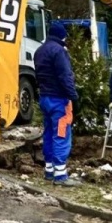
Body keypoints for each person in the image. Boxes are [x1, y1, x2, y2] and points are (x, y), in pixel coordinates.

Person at [34, 22, 80, 186]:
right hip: (59, 100)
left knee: (48, 134)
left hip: (45, 98)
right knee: (61, 134)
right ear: (62, 35)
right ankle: (60, 176)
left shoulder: (40, 51)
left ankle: (49, 171)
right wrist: (73, 96)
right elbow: (65, 76)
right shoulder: (59, 51)